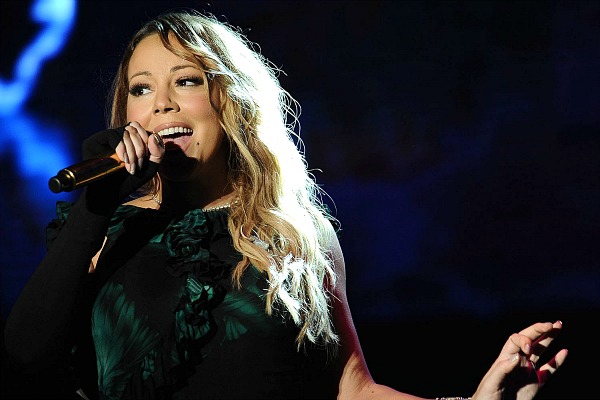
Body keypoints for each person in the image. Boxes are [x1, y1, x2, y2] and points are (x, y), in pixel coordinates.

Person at [3, 9, 568, 400]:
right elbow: (25, 357)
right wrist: (95, 208)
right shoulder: (103, 228)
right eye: (141, 88)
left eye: (187, 81)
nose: (161, 104)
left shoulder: (295, 235)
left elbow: (352, 389)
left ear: (232, 101)